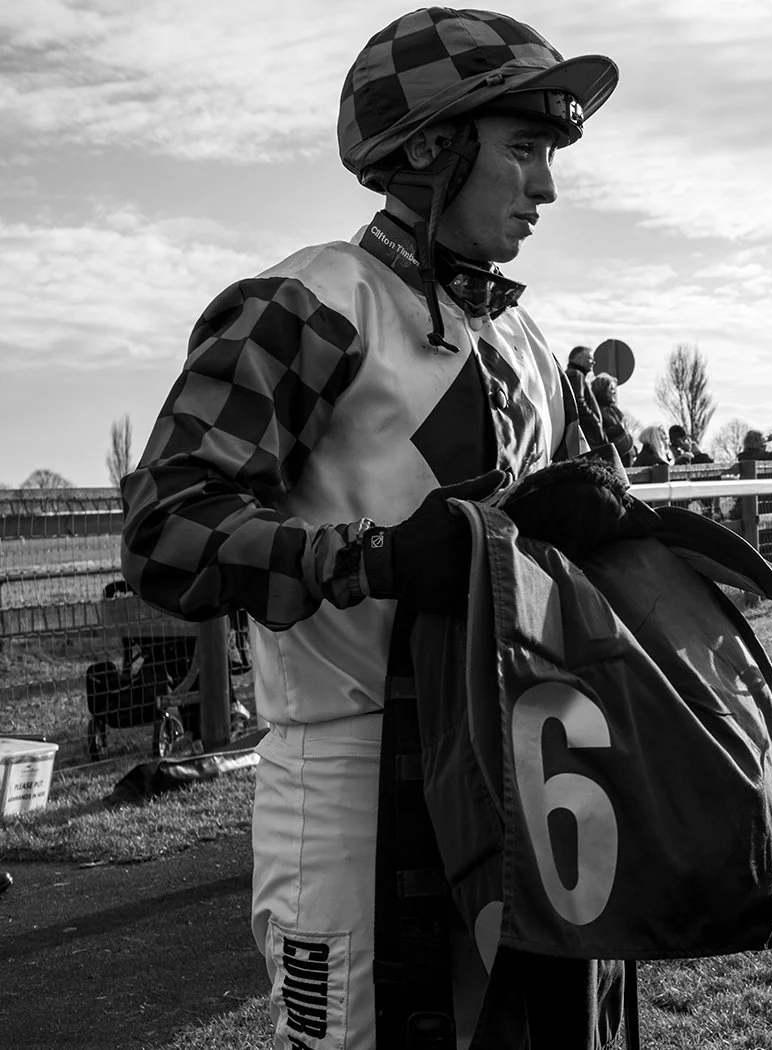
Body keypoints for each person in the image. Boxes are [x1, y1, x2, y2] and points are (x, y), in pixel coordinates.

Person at [118, 10, 626, 1048]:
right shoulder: (305, 304)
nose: (548, 188)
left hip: (526, 758)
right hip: (351, 771)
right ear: (434, 148)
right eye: (526, 149)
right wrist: (376, 558)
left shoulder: (527, 340)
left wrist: (602, 505)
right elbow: (165, 530)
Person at [589, 372, 635, 466]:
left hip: (623, 459)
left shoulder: (614, 409)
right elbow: (599, 436)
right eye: (611, 389)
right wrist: (619, 429)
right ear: (602, 390)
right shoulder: (596, 411)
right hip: (611, 460)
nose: (614, 392)